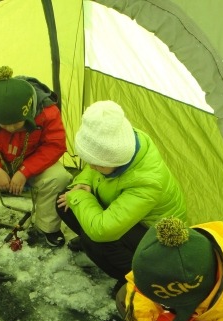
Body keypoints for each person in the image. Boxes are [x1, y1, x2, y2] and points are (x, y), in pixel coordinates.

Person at [56, 100, 185, 294]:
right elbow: (93, 172)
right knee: (64, 201)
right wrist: (84, 185)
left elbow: (103, 230)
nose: (91, 168)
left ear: (116, 159)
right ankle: (89, 242)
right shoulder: (121, 143)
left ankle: (133, 277)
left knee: (96, 239)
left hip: (157, 239)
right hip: (126, 214)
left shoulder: (147, 182)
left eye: (97, 164)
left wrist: (80, 197)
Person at [0, 66, 71, 247]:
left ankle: (47, 228)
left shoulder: (47, 111)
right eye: (4, 125)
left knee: (59, 178)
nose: (10, 129)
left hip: (33, 162)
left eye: (16, 124)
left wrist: (25, 171)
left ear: (27, 113)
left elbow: (55, 145)